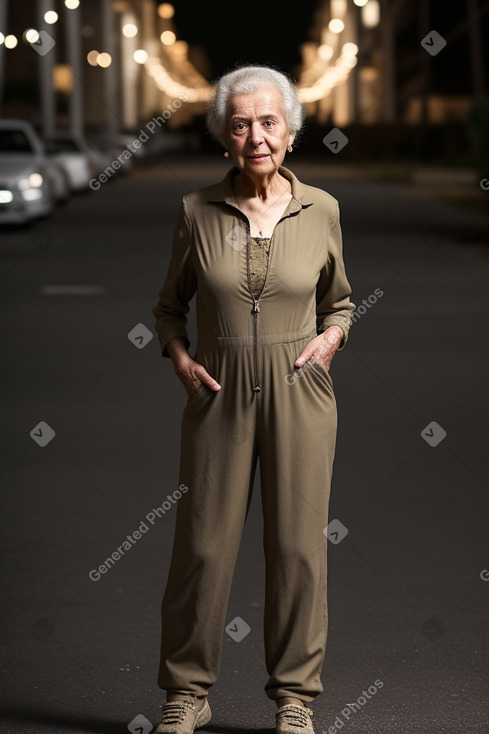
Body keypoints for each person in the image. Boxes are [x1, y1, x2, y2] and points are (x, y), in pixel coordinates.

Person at [151, 63, 356, 734]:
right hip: (219, 395)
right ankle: (186, 694)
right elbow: (169, 308)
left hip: (301, 394)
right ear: (222, 134)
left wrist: (330, 339)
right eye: (239, 124)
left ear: (291, 131)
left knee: (298, 548)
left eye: (268, 122)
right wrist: (179, 359)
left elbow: (341, 303)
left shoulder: (320, 210)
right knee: (203, 547)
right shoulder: (195, 211)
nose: (255, 136)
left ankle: (295, 698)